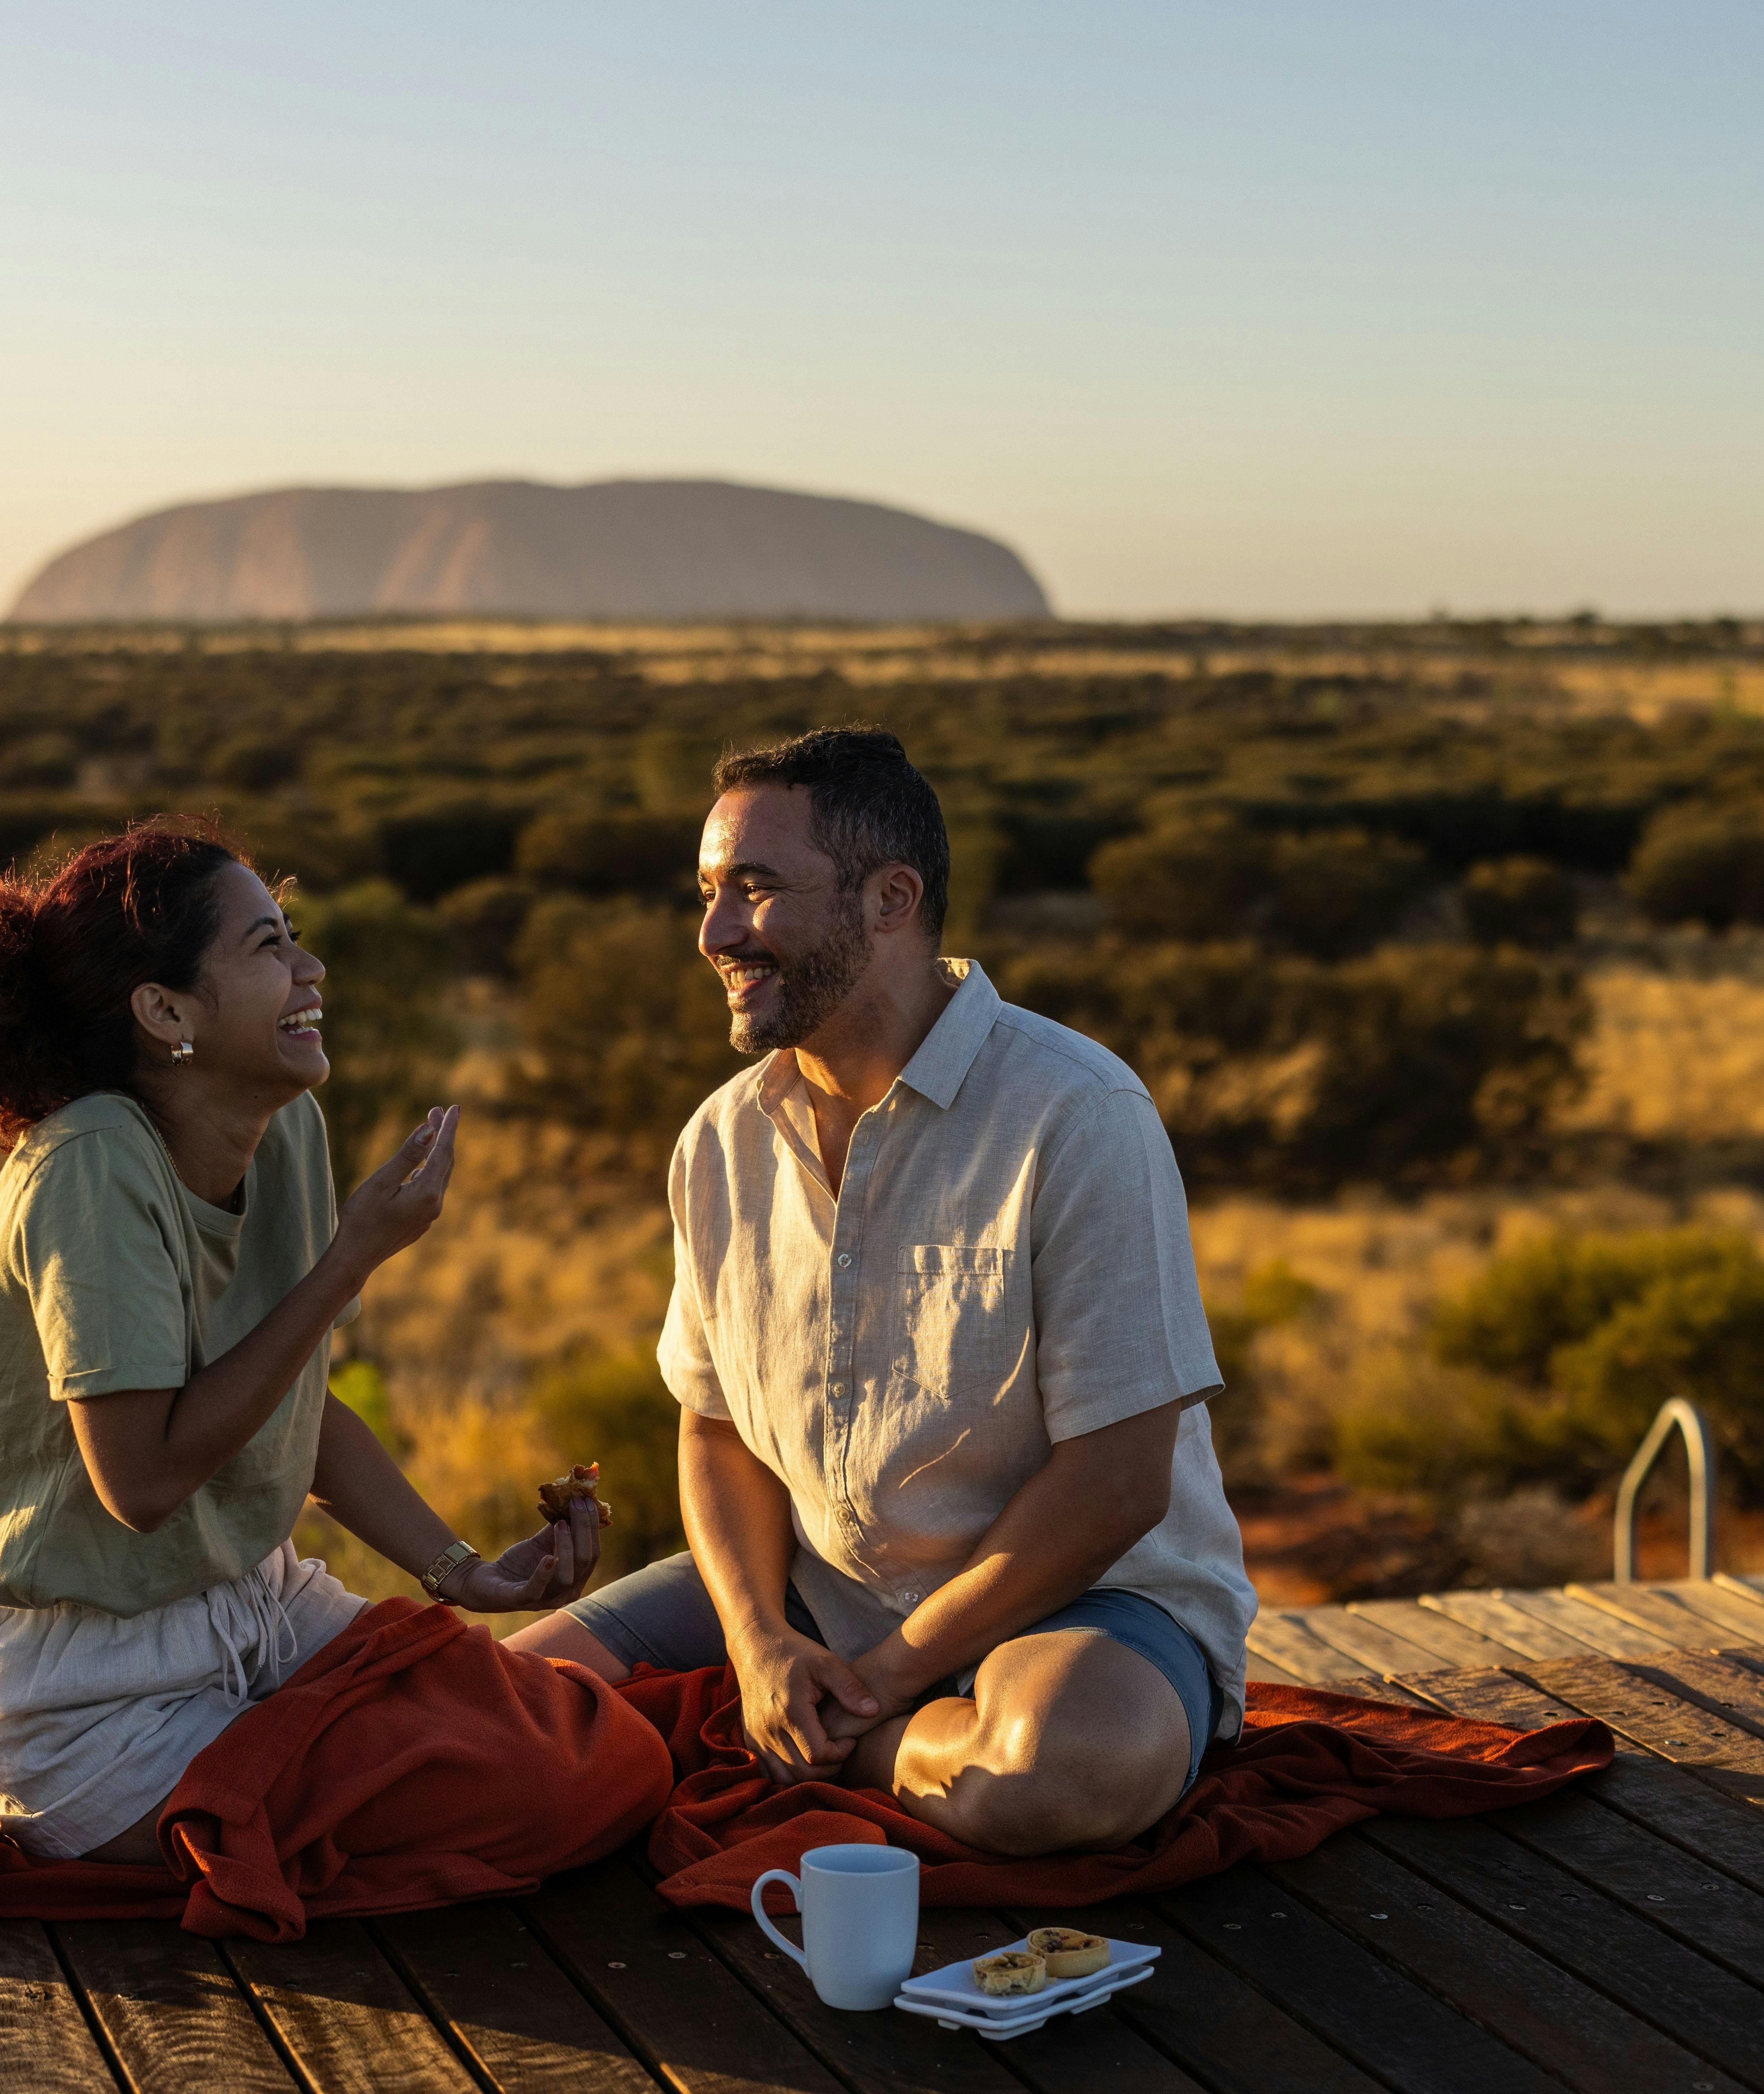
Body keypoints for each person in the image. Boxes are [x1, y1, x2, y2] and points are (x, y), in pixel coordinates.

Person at [511, 728, 1256, 1857]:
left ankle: (821, 1744)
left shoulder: (1076, 1113)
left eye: (755, 891)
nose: (714, 933)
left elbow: (1116, 1483)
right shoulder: (718, 1141)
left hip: (1079, 1604)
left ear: (888, 900)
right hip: (816, 1595)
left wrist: (876, 1684)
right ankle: (809, 1722)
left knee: (1056, 1770)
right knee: (491, 1710)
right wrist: (759, 1644)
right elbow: (712, 1432)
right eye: (709, 893)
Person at [0, 820, 597, 1863]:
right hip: (94, 1695)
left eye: (294, 937)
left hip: (257, 1613)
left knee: (590, 1747)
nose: (310, 968)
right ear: (165, 1012)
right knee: (535, 1798)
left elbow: (297, 1405)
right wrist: (350, 1263)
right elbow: (139, 1485)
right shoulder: (89, 1168)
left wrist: (458, 1570)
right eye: (267, 948)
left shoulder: (283, 1127)